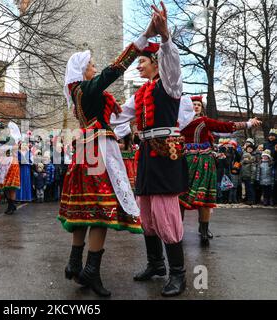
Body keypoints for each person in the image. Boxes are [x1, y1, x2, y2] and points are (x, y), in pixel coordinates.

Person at [59, 10, 154, 297]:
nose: (94, 68)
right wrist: (142, 40)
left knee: (84, 208)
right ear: (82, 71)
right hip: (98, 149)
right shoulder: (87, 89)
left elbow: (114, 113)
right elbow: (115, 69)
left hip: (86, 149)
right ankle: (90, 271)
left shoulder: (77, 94)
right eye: (91, 65)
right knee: (101, 208)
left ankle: (75, 262)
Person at [110, 2, 198, 297]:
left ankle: (179, 274)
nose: (139, 66)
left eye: (143, 62)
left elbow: (171, 62)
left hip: (166, 154)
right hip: (147, 154)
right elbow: (119, 117)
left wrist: (165, 38)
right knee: (146, 212)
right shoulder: (142, 92)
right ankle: (156, 264)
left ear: (156, 62)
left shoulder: (170, 84)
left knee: (166, 214)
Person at [178, 96, 261, 245]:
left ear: (202, 108)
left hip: (204, 162)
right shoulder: (178, 123)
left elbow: (225, 127)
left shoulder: (203, 121)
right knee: (179, 198)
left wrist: (248, 124)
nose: (196, 107)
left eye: (198, 105)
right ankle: (177, 229)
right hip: (184, 162)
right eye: (193, 104)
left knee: (204, 199)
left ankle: (204, 229)